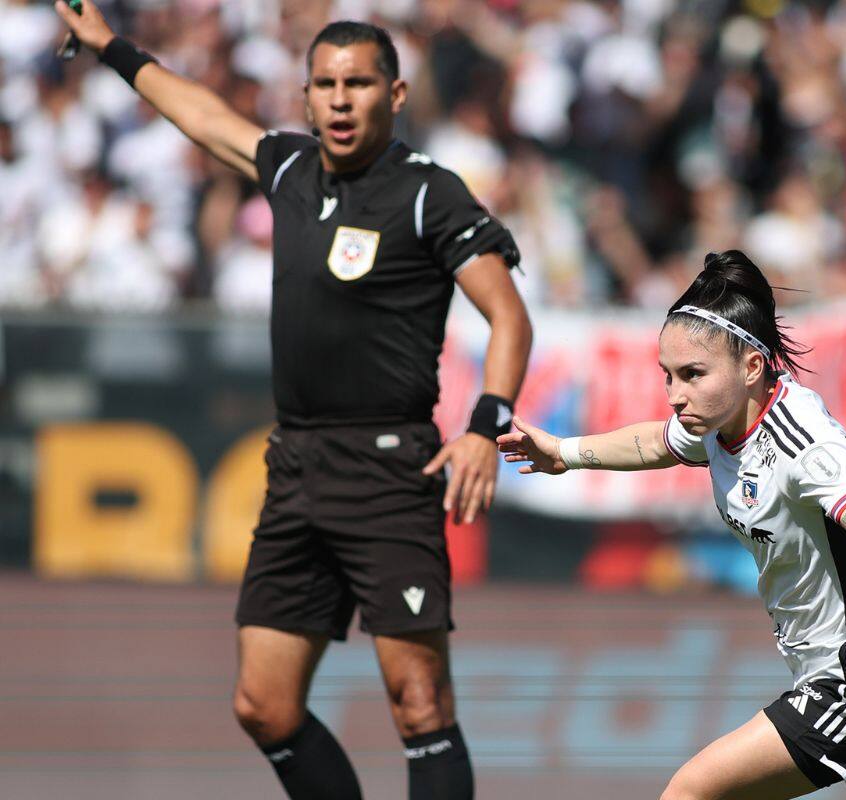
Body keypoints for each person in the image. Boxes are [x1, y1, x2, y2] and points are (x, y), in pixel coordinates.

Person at [55, 3, 533, 799]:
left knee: (420, 705)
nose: (341, 100)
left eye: (359, 84)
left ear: (397, 94)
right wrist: (113, 49)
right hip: (298, 468)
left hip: (390, 474)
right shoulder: (287, 168)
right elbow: (203, 116)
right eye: (326, 84)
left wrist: (487, 426)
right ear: (306, 98)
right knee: (264, 706)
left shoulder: (428, 193)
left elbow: (510, 316)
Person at [499, 250, 846, 799]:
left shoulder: (803, 442)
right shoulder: (719, 420)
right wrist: (564, 451)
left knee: (690, 794)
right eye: (669, 376)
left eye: (693, 375)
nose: (677, 394)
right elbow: (658, 443)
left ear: (752, 366)